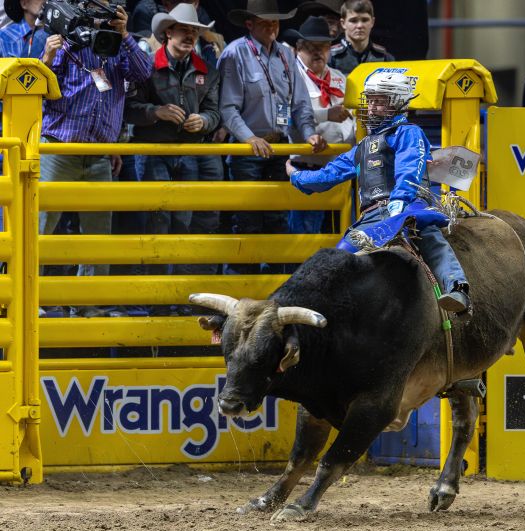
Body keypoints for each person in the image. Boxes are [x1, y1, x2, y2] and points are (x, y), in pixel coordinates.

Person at [286, 72, 471, 314]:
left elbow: (409, 166)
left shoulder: (408, 132)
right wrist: (298, 176)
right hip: (370, 219)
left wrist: (400, 200)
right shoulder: (362, 146)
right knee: (337, 259)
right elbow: (330, 173)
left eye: (379, 101)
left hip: (408, 205)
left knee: (428, 236)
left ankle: (457, 287)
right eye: (370, 100)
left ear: (397, 102)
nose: (371, 107)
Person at [39, 4, 151, 311]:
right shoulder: (66, 38)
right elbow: (40, 88)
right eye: (99, 9)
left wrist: (124, 35)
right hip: (59, 148)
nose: (105, 17)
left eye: (110, 11)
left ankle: (88, 306)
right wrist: (47, 58)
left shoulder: (120, 47)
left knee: (98, 236)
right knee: (40, 227)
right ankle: (28, 300)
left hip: (99, 153)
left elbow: (144, 74)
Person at [218, 0, 326, 275]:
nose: (271, 27)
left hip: (279, 145)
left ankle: (275, 283)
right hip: (247, 150)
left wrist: (310, 133)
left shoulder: (286, 55)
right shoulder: (235, 53)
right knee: (248, 219)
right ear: (249, 24)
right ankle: (244, 281)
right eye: (264, 22)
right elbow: (227, 108)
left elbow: (300, 104)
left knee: (278, 218)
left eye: (275, 21)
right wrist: (249, 139)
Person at [124, 3, 221, 299]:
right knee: (158, 222)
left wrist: (203, 121)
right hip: (153, 152)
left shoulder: (207, 71)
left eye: (194, 31)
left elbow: (214, 112)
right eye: (183, 30)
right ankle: (155, 297)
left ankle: (177, 295)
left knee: (183, 222)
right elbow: (128, 109)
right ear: (168, 32)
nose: (190, 36)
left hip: (188, 152)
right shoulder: (146, 67)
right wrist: (156, 112)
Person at [284, 15, 354, 235]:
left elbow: (352, 117)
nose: (318, 52)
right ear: (298, 48)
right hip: (306, 166)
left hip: (339, 168)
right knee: (305, 235)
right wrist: (326, 115)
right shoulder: (289, 77)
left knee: (336, 233)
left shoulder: (340, 78)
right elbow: (286, 117)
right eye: (311, 47)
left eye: (323, 47)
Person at [329, 0, 393, 76]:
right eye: (353, 21)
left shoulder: (384, 57)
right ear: (343, 23)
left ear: (372, 22)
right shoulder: (331, 57)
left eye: (365, 20)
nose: (359, 26)